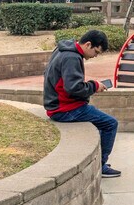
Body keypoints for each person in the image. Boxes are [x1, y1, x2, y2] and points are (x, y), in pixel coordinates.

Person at [43, 30, 121, 178]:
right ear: (88, 44)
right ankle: (100, 165)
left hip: (56, 104)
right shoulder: (72, 57)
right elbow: (74, 88)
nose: (95, 56)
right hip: (64, 109)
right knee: (110, 124)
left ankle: (98, 160)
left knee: (99, 120)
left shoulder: (63, 49)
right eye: (96, 52)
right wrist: (94, 86)